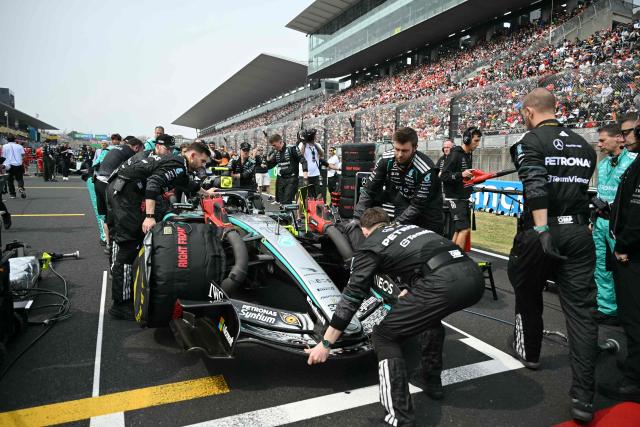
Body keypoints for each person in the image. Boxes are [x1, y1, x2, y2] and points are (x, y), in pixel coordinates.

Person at [305, 207, 484, 426]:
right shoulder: (411, 228)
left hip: (443, 283)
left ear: (365, 231)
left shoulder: (370, 244)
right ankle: (431, 380)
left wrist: (326, 343)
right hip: (473, 276)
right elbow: (425, 257)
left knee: (384, 336)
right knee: (429, 318)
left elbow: (352, 295)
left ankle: (399, 417)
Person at [507, 88, 597, 422]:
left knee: (526, 291)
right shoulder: (586, 147)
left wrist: (543, 230)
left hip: (540, 231)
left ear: (529, 112)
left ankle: (530, 353)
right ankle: (584, 398)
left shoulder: (530, 141)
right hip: (577, 231)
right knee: (582, 315)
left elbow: (536, 184)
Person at [107, 141, 215, 319]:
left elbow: (187, 184)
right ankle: (120, 303)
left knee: (133, 240)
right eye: (203, 161)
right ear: (193, 156)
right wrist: (149, 217)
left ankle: (130, 286)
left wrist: (206, 193)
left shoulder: (179, 164)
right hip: (124, 194)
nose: (203, 165)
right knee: (129, 244)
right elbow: (153, 183)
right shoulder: (178, 164)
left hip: (124, 190)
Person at [599, 113, 640, 403]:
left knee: (634, 317)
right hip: (612, 230)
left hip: (631, 249)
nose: (627, 137)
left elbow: (637, 212)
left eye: (631, 132)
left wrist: (623, 244)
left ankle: (634, 380)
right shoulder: (610, 165)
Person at [353, 127, 443, 234]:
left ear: (415, 148)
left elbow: (417, 206)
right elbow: (368, 190)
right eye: (397, 149)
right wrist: (357, 218)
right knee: (396, 235)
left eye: (404, 151)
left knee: (428, 242)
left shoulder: (426, 169)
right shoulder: (386, 159)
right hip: (404, 199)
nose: (400, 155)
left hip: (428, 207)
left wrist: (394, 225)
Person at [592, 123, 636, 325]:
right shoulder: (602, 165)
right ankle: (607, 308)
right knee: (601, 267)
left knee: (625, 269)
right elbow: (600, 194)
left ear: (619, 138)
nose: (599, 144)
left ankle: (627, 310)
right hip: (601, 223)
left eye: (602, 140)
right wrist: (594, 218)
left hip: (621, 226)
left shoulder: (633, 162)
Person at [93, 136, 144, 250]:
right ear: (136, 148)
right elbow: (134, 171)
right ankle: (115, 245)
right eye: (141, 151)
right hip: (107, 184)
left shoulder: (117, 148)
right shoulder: (130, 153)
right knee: (115, 215)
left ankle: (108, 243)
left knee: (106, 215)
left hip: (98, 182)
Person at [440, 128, 480, 249]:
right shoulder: (455, 154)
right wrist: (461, 174)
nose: (477, 144)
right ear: (467, 139)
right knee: (464, 229)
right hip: (454, 198)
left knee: (459, 230)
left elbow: (462, 177)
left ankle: (452, 256)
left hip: (462, 197)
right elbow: (444, 175)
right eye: (476, 140)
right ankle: (459, 260)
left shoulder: (467, 155)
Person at [266, 134, 308, 204]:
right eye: (272, 146)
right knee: (281, 202)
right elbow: (271, 165)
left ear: (280, 142)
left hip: (291, 179)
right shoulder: (276, 152)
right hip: (281, 180)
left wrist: (305, 173)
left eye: (274, 145)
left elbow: (303, 160)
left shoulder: (292, 148)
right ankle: (285, 214)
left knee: (287, 202)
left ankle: (289, 214)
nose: (273, 147)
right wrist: (266, 162)